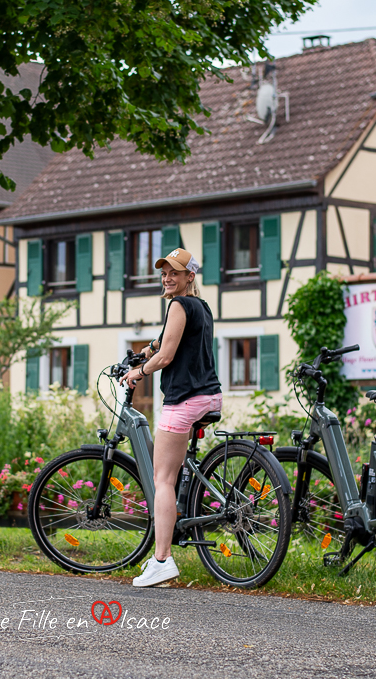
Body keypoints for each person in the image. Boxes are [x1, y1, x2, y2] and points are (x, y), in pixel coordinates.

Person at [119, 247, 222, 587]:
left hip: (185, 400)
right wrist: (142, 353)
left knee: (163, 480)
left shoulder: (178, 304)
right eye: (164, 272)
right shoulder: (201, 307)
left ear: (189, 277)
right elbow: (163, 341)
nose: (167, 277)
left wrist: (138, 372)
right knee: (175, 471)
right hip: (209, 395)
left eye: (174, 272)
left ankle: (162, 559)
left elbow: (165, 355)